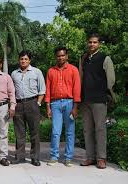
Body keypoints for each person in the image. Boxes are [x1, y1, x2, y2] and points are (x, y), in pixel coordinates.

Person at [79, 33, 115, 169]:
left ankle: (101, 158)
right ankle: (90, 157)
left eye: (94, 42)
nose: (92, 44)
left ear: (99, 44)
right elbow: (80, 78)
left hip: (99, 99)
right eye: (90, 42)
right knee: (87, 130)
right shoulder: (84, 58)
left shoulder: (105, 58)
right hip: (85, 100)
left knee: (100, 129)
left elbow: (111, 80)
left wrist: (104, 93)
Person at [45, 47, 81, 167]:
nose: (60, 58)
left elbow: (76, 89)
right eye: (58, 56)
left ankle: (68, 157)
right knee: (56, 131)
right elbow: (48, 90)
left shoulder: (73, 70)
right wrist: (48, 107)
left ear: (66, 56)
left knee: (70, 132)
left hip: (69, 103)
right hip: (55, 104)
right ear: (56, 57)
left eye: (62, 55)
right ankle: (54, 156)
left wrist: (75, 107)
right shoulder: (51, 71)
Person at [11, 50, 46, 166]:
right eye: (21, 59)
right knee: (19, 132)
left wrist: (38, 103)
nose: (23, 61)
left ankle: (35, 157)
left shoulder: (36, 72)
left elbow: (42, 90)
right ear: (18, 60)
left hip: (32, 103)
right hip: (19, 104)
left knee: (34, 132)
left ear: (29, 60)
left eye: (26, 59)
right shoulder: (14, 73)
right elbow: (11, 91)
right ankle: (20, 157)